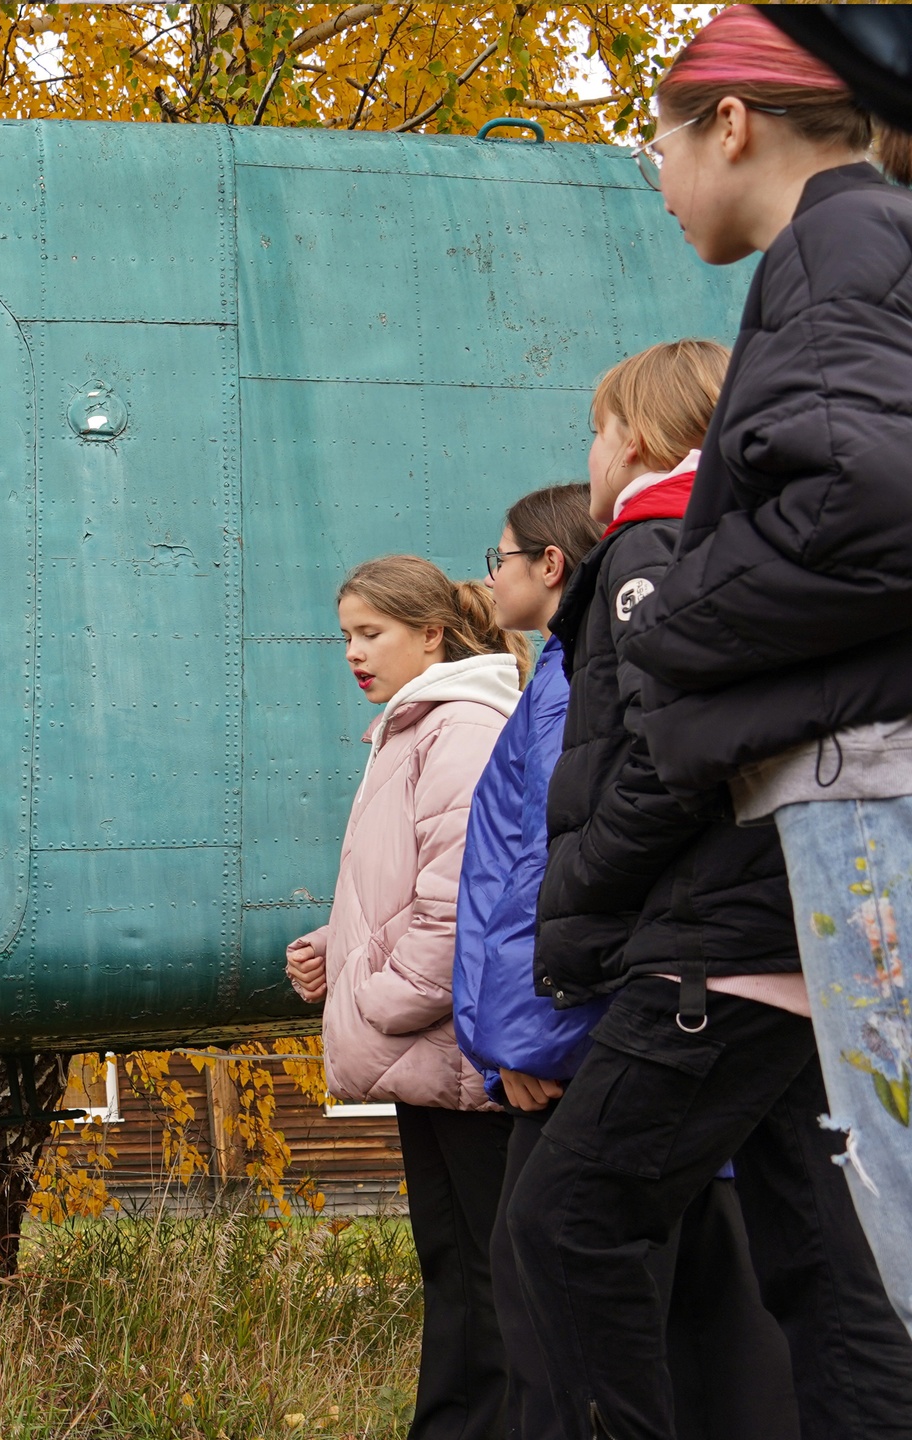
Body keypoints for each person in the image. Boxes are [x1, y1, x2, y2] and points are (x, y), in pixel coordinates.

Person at [612, 3, 912, 1348]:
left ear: (729, 124)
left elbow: (864, 495)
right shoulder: (870, 240)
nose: (660, 187)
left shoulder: (826, 248)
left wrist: (671, 625)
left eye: (657, 148)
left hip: (868, 792)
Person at [457, 473, 796, 1440]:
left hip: (585, 1034)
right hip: (623, 1015)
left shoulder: (578, 677)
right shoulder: (567, 674)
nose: (489, 581)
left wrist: (525, 1039)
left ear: (552, 564)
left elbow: (549, 866)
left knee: (563, 1275)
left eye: (502, 559)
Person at [286, 555, 524, 1440]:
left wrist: (377, 999)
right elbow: (406, 891)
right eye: (345, 634)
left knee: (485, 1276)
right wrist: (336, 950)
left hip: (453, 1044)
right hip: (431, 1048)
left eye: (371, 633)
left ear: (432, 635)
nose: (353, 652)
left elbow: (463, 901)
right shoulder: (412, 727)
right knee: (457, 1267)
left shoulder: (456, 729)